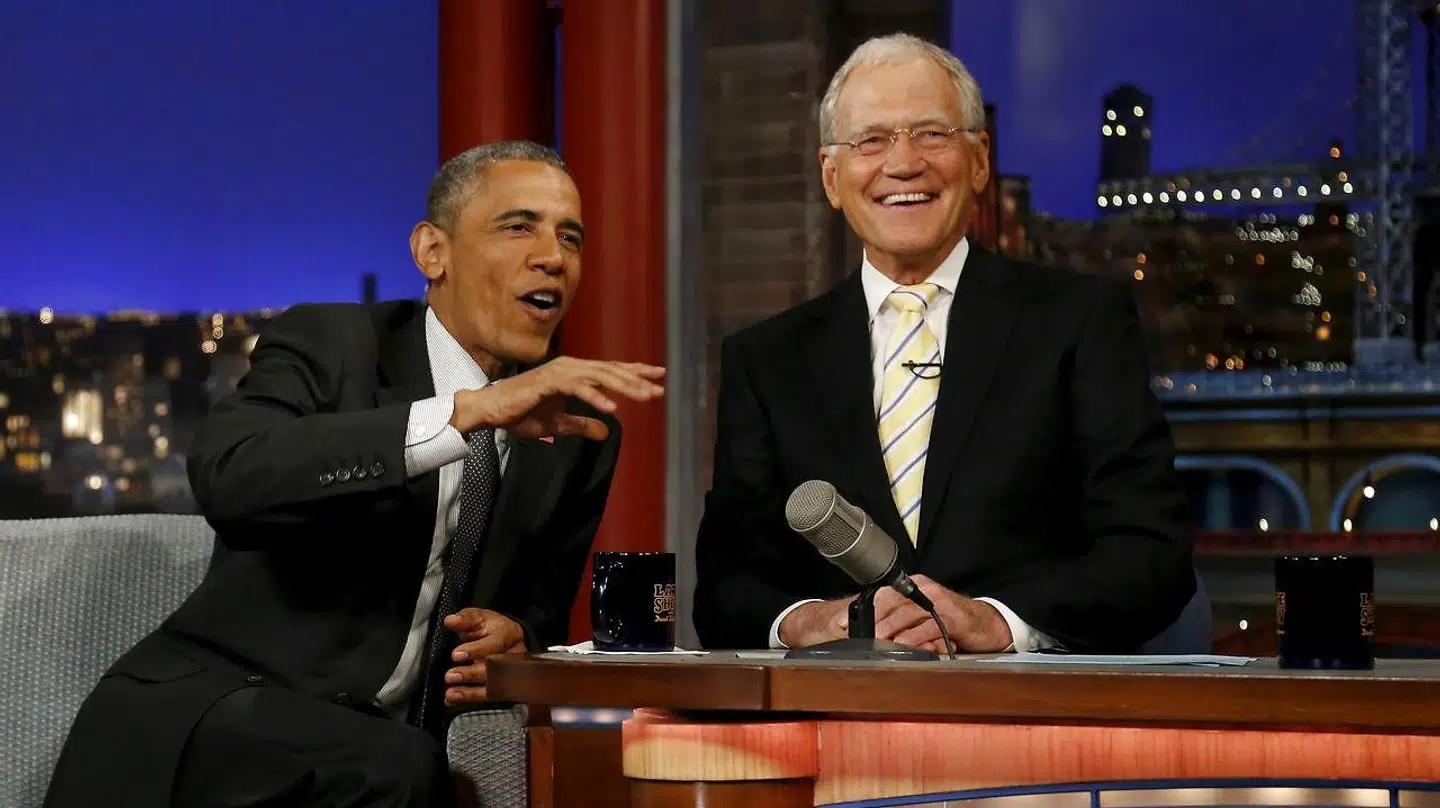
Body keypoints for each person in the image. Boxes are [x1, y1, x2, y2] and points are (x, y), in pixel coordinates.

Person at [43, 140, 665, 808]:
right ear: (433, 252)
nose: (553, 256)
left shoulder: (578, 433)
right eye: (519, 227)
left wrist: (516, 636)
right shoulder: (331, 345)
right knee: (396, 769)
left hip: (381, 744)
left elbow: (537, 610)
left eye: (570, 237)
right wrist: (462, 416)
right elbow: (229, 475)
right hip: (216, 712)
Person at [692, 34, 1194, 655]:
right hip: (826, 723)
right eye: (870, 140)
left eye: (931, 134)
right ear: (832, 176)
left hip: (1029, 725)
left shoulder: (1079, 322)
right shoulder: (766, 362)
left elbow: (1152, 555)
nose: (902, 164)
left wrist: (996, 622)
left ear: (979, 160)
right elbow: (724, 587)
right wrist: (810, 623)